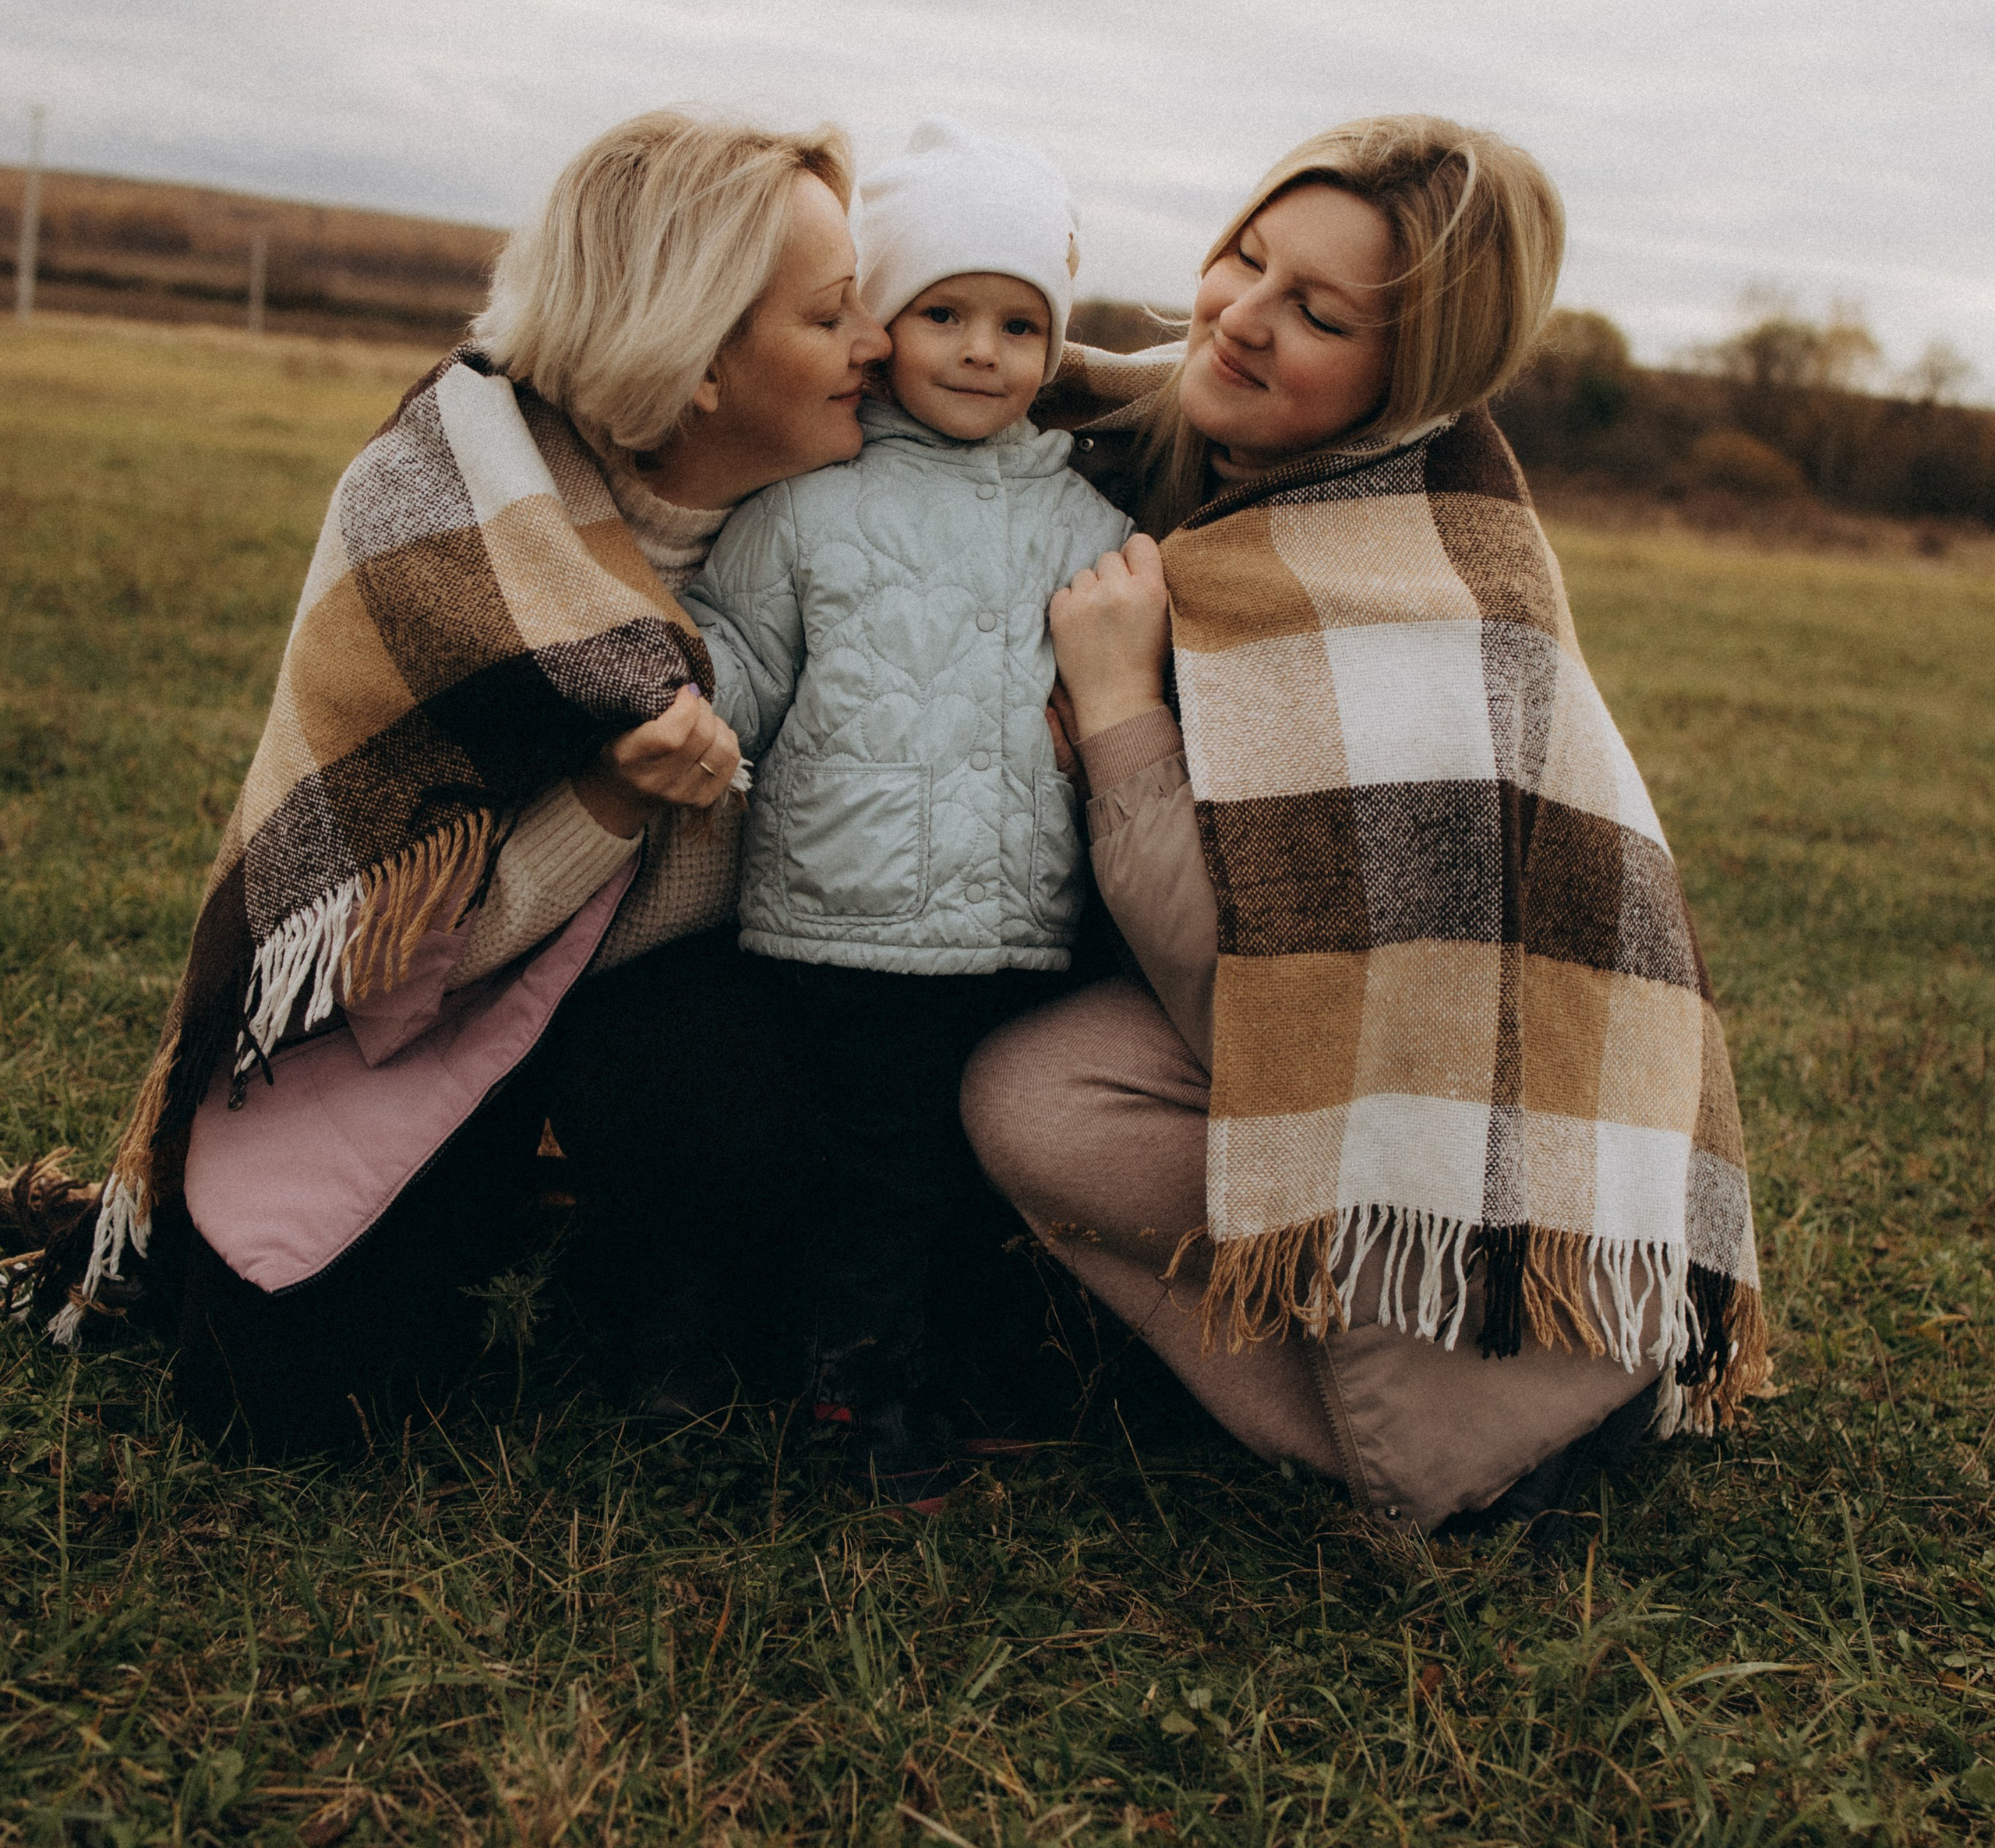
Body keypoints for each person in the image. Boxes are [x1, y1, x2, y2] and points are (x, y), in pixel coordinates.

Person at [26, 110, 894, 1455]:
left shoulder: (904, 491)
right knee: (293, 1405)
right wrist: (608, 803)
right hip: (423, 1001)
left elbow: (1104, 382)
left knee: (709, 1098)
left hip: (679, 1000)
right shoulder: (454, 515)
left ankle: (662, 1289)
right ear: (704, 359)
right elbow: (392, 944)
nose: (882, 346)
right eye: (838, 317)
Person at [964, 115, 1768, 1538]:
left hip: (1493, 1145)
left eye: (1320, 314)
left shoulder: (1442, 582)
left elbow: (1253, 996)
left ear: (1417, 380)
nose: (1243, 318)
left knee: (1038, 1096)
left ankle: (1479, 1440)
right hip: (1392, 1081)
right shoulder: (1167, 436)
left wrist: (1115, 715)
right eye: (1247, 257)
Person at [676, 120, 1132, 1497]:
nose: (981, 351)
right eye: (942, 312)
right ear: (880, 319)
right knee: (878, 1177)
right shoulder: (811, 502)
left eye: (1018, 323)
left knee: (980, 1182)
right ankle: (845, 1408)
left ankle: (953, 1370)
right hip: (845, 919)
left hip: (1014, 926)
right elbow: (743, 653)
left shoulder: (1086, 527)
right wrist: (685, 703)